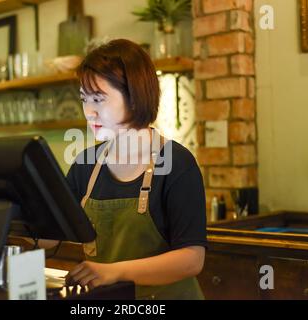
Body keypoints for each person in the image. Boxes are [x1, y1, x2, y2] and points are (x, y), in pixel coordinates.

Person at [64, 39, 207, 300]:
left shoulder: (177, 163)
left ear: (134, 96)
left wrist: (113, 272)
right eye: (85, 99)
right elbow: (52, 236)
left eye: (98, 99)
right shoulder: (85, 165)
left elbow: (192, 260)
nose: (89, 112)